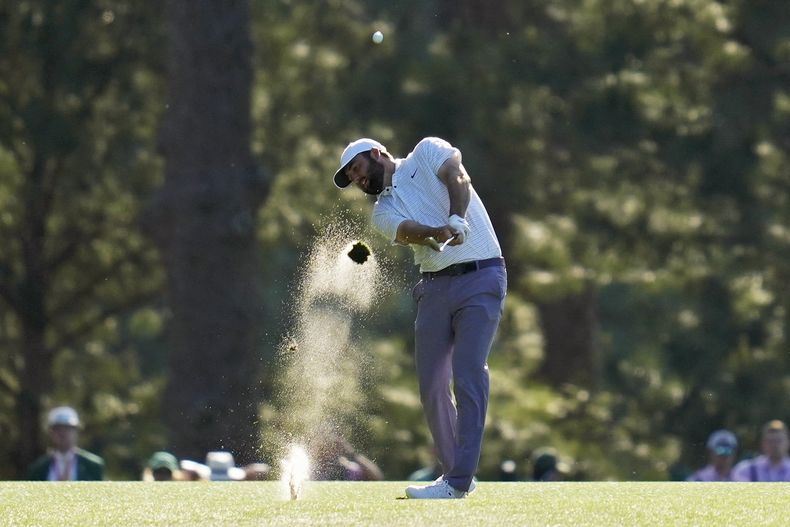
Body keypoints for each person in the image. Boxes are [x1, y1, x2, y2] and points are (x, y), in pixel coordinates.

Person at [334, 137, 507, 499]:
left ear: (377, 154)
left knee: (469, 372)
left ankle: (458, 482)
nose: (357, 180)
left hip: (481, 275)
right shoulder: (382, 210)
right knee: (431, 384)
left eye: (358, 169)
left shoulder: (426, 151)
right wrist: (437, 233)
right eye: (351, 177)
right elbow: (408, 231)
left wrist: (457, 218)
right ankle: (455, 475)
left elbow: (458, 178)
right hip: (434, 288)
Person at [26, 406, 104, 481]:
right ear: (51, 432)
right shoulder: (38, 468)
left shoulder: (93, 466)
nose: (62, 433)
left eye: (68, 429)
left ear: (76, 431)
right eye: (58, 429)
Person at [311, 434, 384, 481]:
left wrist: (352, 454)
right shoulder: (311, 469)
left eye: (333, 447)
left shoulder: (349, 468)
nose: (329, 451)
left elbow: (377, 477)